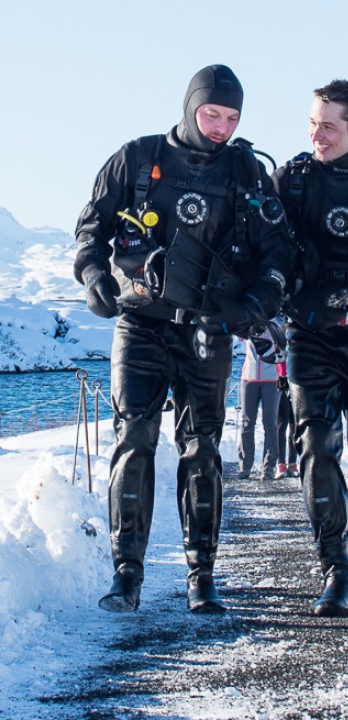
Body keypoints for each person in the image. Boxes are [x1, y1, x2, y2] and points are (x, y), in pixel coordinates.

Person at [74, 64, 293, 614]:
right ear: (190, 106)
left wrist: (259, 301)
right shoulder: (136, 158)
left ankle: (203, 576)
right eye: (212, 113)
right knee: (136, 438)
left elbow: (279, 251)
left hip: (208, 329)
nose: (221, 125)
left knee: (201, 450)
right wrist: (94, 275)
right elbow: (91, 228)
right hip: (141, 321)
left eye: (231, 117)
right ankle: (126, 575)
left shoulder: (248, 174)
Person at [274, 79, 348, 617]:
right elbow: (254, 245)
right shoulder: (293, 183)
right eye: (312, 123)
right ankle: (336, 569)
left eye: (329, 125)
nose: (316, 134)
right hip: (312, 333)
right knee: (316, 447)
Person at [238, 330, 281, 481]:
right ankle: (245, 466)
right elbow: (239, 335)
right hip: (249, 378)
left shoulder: (276, 324)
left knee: (270, 423)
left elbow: (283, 349)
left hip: (271, 379)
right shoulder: (249, 323)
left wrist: (282, 375)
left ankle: (268, 468)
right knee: (247, 424)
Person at [275, 356, 298, 479]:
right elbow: (277, 357)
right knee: (281, 426)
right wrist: (281, 375)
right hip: (281, 383)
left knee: (295, 426)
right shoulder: (280, 339)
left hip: (296, 383)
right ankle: (280, 464)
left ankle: (292, 462)